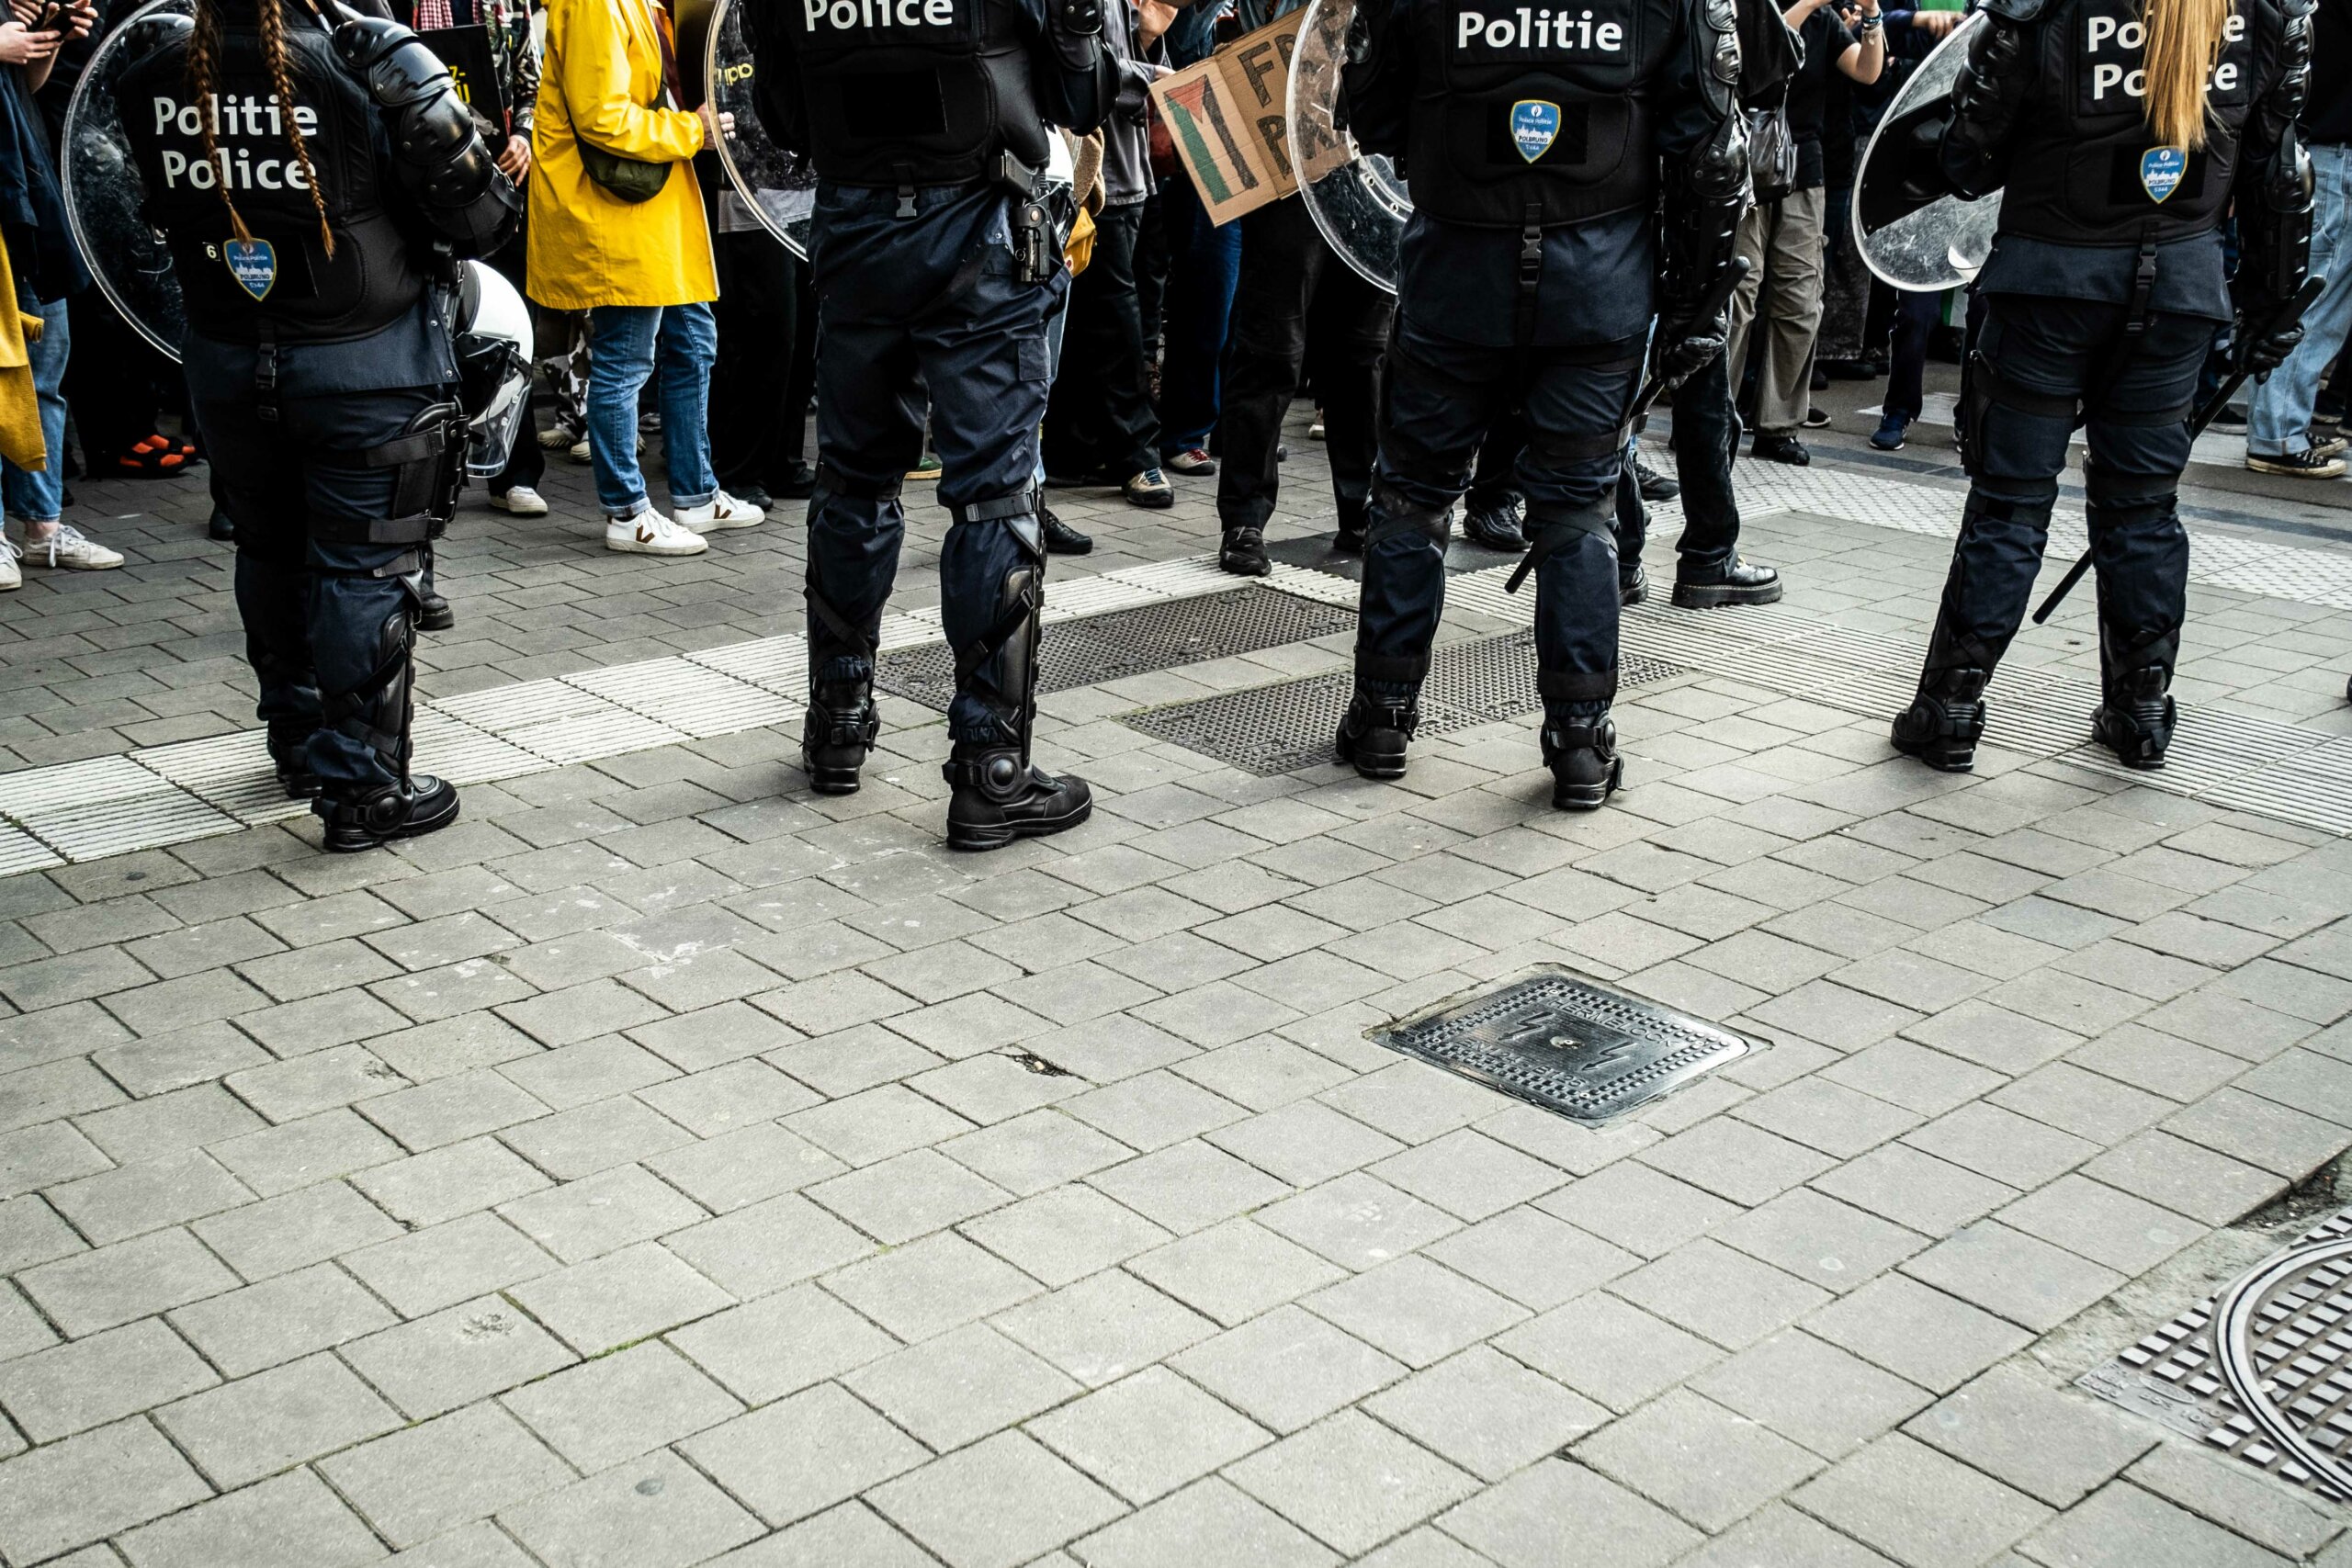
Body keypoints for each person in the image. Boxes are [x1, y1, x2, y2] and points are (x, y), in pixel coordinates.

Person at [115, 0, 519, 846]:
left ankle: (299, 744)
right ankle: (363, 789)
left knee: (270, 549)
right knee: (362, 568)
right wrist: (433, 107)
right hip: (360, 365)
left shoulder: (155, 67)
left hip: (227, 360)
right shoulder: (359, 66)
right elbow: (483, 220)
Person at [1336, 0, 1748, 808]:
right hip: (1596, 287)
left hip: (1458, 277)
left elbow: (1371, 113)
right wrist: (1694, 312)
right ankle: (1581, 743)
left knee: (1415, 494)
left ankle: (1383, 714)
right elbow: (1712, 155)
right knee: (1577, 506)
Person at [1891, 0, 2312, 773]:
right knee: (2144, 508)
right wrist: (2272, 305)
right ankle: (2141, 711)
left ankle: (1951, 707)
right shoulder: (2265, 15)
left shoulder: (2041, 10)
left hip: (2051, 282)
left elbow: (1967, 160)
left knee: (2011, 504)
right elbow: (2277, 173)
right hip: (2179, 292)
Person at [748, 0, 1115, 851]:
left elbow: (784, 119)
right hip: (984, 233)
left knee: (854, 475)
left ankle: (837, 723)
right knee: (993, 498)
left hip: (856, 233)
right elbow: (1082, 92)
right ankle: (992, 770)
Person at [529, 0, 761, 556]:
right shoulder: (594, 7)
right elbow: (602, 117)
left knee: (693, 344)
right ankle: (626, 512)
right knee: (625, 359)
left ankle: (697, 494)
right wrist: (690, 129)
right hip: (620, 211)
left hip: (651, 208)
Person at [1211, 0, 1392, 577]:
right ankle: (1244, 516)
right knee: (1271, 352)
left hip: (1369, 173)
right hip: (1290, 175)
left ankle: (1360, 507)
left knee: (1361, 356)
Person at [1727, 0, 1883, 465]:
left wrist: (1873, 19)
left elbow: (1867, 71)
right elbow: (1759, 62)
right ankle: (1713, 417)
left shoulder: (1825, 21)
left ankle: (1778, 424)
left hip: (1804, 169)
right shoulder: (1749, 9)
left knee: (1799, 300)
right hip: (1746, 168)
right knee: (1739, 293)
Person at [1, 0, 124, 574]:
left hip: (25, 192)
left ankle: (41, 526)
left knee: (45, 368)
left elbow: (25, 86)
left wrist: (42, 43)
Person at [2245, 0, 2352, 477]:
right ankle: (2276, 435)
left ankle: (2281, 429)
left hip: (2328, 145)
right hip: (2336, 151)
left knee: (2321, 297)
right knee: (2315, 297)